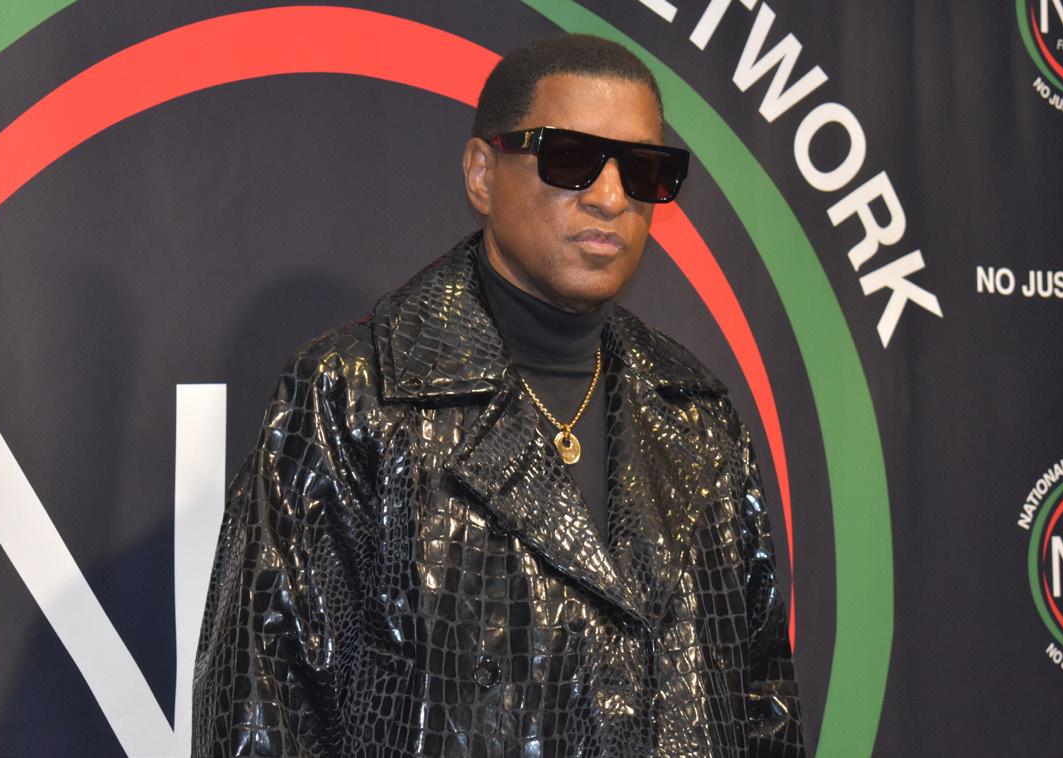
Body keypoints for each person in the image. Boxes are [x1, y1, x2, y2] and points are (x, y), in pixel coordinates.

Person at [192, 33, 803, 758]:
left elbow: (763, 705)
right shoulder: (354, 396)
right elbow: (261, 713)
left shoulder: (695, 412)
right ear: (482, 174)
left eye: (644, 170)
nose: (610, 198)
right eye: (570, 159)